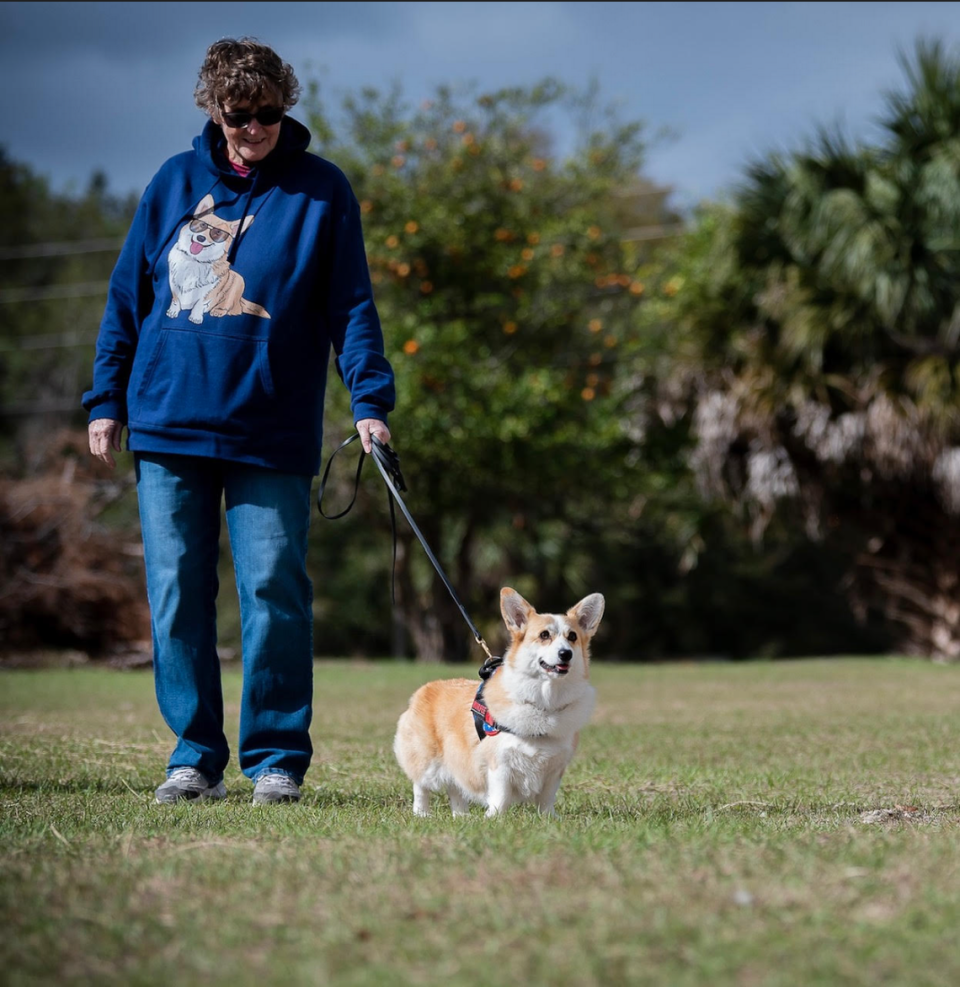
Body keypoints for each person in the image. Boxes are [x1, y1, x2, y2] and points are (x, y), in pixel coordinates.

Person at [82, 37, 395, 806]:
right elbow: (129, 295)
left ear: (285, 108)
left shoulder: (324, 192)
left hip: (272, 428)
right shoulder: (172, 182)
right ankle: (193, 755)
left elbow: (350, 304)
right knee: (179, 593)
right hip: (168, 421)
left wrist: (369, 402)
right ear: (213, 111)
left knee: (273, 590)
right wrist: (105, 398)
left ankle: (277, 759)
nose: (254, 129)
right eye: (239, 116)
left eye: (268, 115)